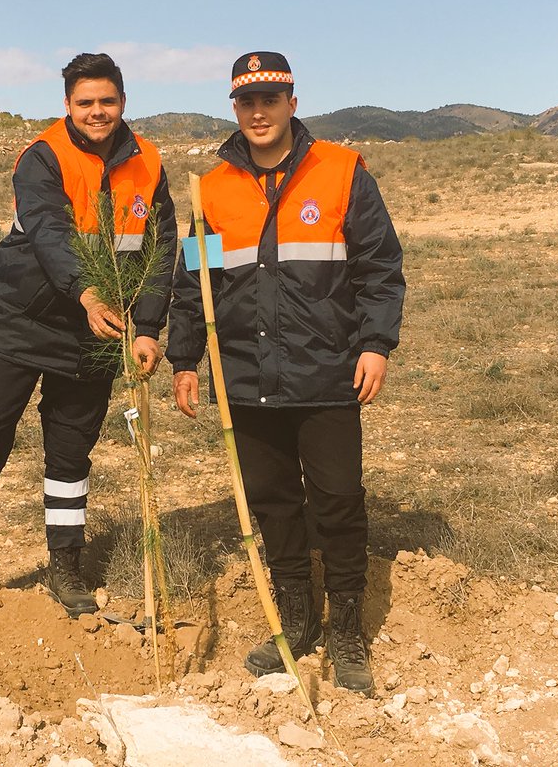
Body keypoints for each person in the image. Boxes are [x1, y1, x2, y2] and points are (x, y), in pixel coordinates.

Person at [0, 53, 177, 617]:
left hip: (97, 332)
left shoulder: (148, 162)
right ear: (67, 105)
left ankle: (67, 568)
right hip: (19, 323)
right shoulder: (41, 157)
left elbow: (160, 250)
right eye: (85, 103)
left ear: (123, 101)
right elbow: (51, 231)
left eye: (107, 101)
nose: (97, 112)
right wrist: (88, 291)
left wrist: (147, 326)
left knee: (71, 453)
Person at [166, 52, 404, 693]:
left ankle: (348, 630)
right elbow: (197, 285)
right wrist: (184, 358)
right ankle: (297, 624)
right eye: (247, 101)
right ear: (234, 109)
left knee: (338, 501)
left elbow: (380, 266)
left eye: (270, 99)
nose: (259, 112)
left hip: (327, 374)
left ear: (293, 103)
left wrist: (376, 343)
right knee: (274, 504)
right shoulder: (209, 191)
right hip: (247, 379)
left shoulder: (343, 171)